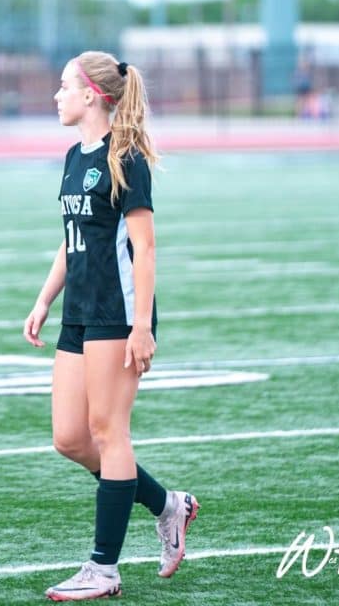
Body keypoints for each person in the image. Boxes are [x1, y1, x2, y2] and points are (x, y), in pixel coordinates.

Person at [23, 51, 199, 602]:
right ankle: (168, 505)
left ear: (91, 95)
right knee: (70, 438)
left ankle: (104, 569)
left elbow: (144, 247)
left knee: (108, 431)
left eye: (64, 86)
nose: (57, 96)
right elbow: (72, 238)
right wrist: (44, 299)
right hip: (79, 311)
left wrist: (141, 326)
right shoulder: (73, 156)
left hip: (118, 315)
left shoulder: (127, 159)